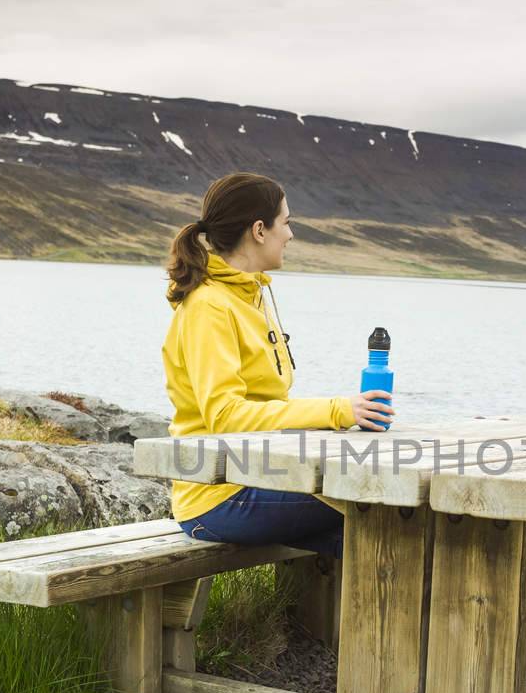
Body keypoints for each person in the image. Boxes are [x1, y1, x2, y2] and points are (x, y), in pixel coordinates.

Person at [161, 172, 394, 557]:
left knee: (381, 537)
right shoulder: (209, 308)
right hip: (218, 496)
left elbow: (267, 402)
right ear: (258, 230)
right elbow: (225, 415)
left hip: (258, 476)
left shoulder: (252, 293)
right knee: (376, 496)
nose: (290, 235)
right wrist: (338, 410)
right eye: (285, 223)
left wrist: (345, 413)